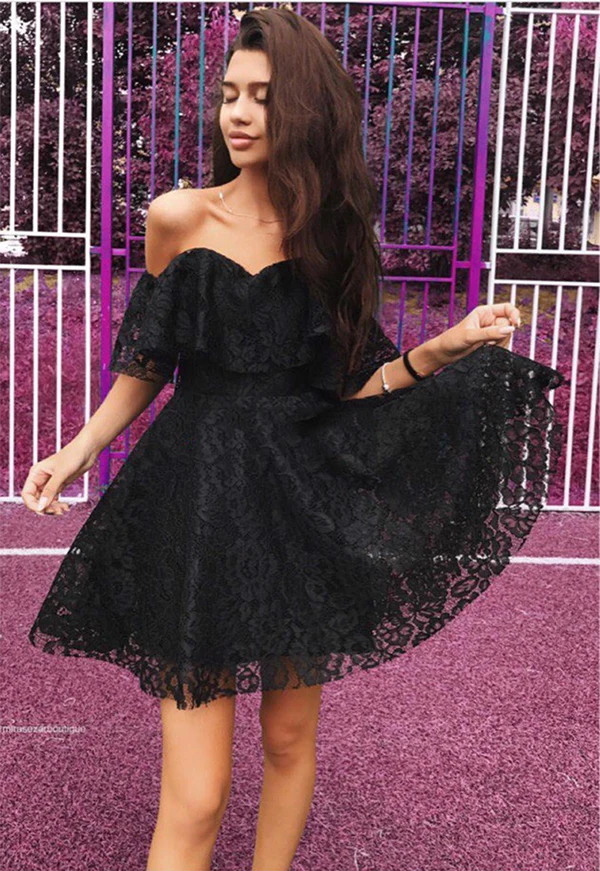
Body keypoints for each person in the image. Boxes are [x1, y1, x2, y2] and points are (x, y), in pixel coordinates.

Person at [22, 8, 566, 871]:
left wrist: (444, 347)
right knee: (197, 794)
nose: (237, 114)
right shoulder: (177, 216)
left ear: (306, 111)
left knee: (287, 739)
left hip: (295, 501)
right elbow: (148, 361)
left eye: (263, 98)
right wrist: (77, 449)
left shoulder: (334, 238)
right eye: (229, 94)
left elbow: (352, 384)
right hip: (197, 499)